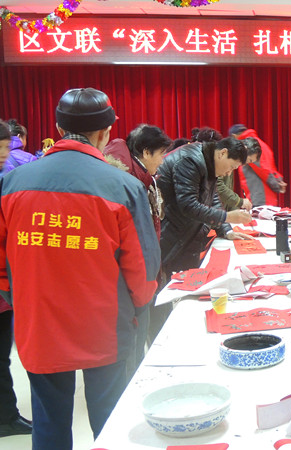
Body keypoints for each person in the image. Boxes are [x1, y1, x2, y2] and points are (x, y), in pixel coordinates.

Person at [0, 88, 161, 449]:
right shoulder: (123, 186)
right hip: (104, 326)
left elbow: (1, 264)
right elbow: (143, 269)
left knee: (49, 422)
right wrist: (138, 309)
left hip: (38, 324)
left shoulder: (12, 183)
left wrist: (19, 299)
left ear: (58, 127)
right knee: (111, 422)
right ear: (106, 133)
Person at [103, 124, 172, 378]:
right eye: (161, 154)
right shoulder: (128, 182)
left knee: (140, 339)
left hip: (142, 277)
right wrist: (143, 286)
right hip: (130, 284)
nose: (163, 161)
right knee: (131, 346)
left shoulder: (143, 177)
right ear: (145, 152)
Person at [157, 136, 254, 278]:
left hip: (186, 232)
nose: (229, 173)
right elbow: (188, 205)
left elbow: (212, 197)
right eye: (232, 167)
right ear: (223, 153)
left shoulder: (208, 161)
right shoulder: (191, 161)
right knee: (171, 285)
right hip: (170, 231)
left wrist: (226, 230)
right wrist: (226, 216)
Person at [0, 120, 32, 438]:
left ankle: (7, 415)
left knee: (3, 354)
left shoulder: (9, 175)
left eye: (5, 146)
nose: (3, 154)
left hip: (6, 286)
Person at [229, 124, 286, 207]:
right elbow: (269, 168)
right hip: (267, 196)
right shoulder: (260, 143)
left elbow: (262, 169)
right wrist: (278, 181)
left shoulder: (248, 147)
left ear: (234, 136)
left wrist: (276, 185)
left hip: (259, 197)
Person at [216, 136, 261, 211]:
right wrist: (239, 202)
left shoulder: (232, 162)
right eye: (249, 160)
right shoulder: (225, 160)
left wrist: (235, 211)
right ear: (245, 150)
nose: (246, 164)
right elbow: (218, 186)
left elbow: (226, 189)